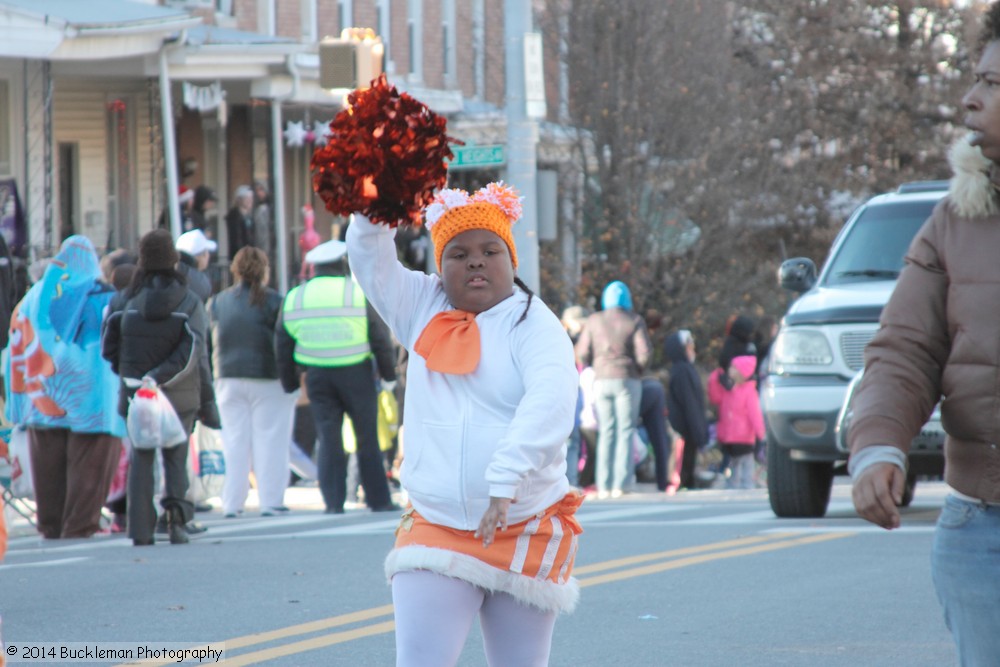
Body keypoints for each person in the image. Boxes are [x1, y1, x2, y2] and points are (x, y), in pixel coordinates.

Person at [346, 182, 581, 667]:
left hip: (522, 523)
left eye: (490, 250)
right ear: (439, 265)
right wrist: (374, 202)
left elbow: (551, 404)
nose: (475, 261)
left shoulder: (536, 325)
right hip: (436, 526)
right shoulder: (420, 305)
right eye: (458, 253)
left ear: (512, 260)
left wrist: (504, 479)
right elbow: (370, 258)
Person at [849, 7, 1000, 662]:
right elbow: (905, 347)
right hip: (979, 526)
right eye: (976, 79)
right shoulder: (953, 219)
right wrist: (879, 444)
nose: (971, 97)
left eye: (994, 84)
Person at [102, 229, 220, 546]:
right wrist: (203, 399)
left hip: (134, 392)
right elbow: (196, 352)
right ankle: (176, 522)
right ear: (173, 259)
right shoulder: (189, 300)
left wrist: (132, 375)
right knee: (175, 457)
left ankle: (140, 527)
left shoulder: (122, 299)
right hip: (179, 392)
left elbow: (108, 348)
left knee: (141, 455)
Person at [3, 235, 123, 539]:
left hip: (41, 397)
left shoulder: (32, 299)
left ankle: (50, 525)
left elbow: (14, 349)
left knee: (48, 468)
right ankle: (80, 525)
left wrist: (16, 401)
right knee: (90, 467)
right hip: (94, 400)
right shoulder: (104, 298)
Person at [275, 239, 398, 515]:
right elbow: (379, 337)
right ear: (342, 265)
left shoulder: (296, 296)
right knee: (366, 437)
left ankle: (333, 502)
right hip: (356, 373)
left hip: (317, 375)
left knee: (328, 437)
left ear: (314, 269)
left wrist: (291, 383)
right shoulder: (354, 292)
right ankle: (378, 499)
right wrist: (389, 375)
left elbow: (281, 342)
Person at [209, 247, 296, 517]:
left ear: (235, 270)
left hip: (227, 376)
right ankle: (270, 500)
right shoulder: (275, 301)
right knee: (270, 440)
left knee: (234, 442)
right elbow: (284, 341)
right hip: (267, 377)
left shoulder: (217, 301)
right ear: (264, 271)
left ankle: (232, 502)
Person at [575, 280, 652, 498]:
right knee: (625, 431)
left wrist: (596, 364)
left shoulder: (594, 320)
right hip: (628, 380)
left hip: (601, 380)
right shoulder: (634, 320)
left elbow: (581, 353)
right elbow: (644, 354)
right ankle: (621, 484)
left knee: (607, 431)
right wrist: (636, 368)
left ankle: (604, 484)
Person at [707, 355, 764, 490]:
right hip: (729, 438)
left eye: (733, 367)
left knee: (746, 467)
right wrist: (716, 377)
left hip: (744, 439)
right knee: (732, 467)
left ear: (741, 372)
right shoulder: (729, 389)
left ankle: (747, 488)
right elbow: (715, 398)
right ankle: (733, 488)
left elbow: (755, 415)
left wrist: (761, 435)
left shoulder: (749, 391)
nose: (730, 370)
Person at [664, 329, 709, 490]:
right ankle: (676, 484)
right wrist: (699, 430)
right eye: (688, 347)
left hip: (689, 428)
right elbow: (689, 403)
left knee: (688, 460)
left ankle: (685, 482)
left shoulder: (686, 369)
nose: (692, 350)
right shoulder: (682, 371)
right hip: (683, 428)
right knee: (681, 464)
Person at [175, 229, 215, 303]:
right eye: (206, 252)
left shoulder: (171, 271)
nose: (208, 256)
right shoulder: (201, 282)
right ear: (199, 256)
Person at [225, 185, 256, 259]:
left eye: (251, 198)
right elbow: (237, 239)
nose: (250, 201)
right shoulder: (234, 217)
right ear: (239, 200)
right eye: (247, 198)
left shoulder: (249, 217)